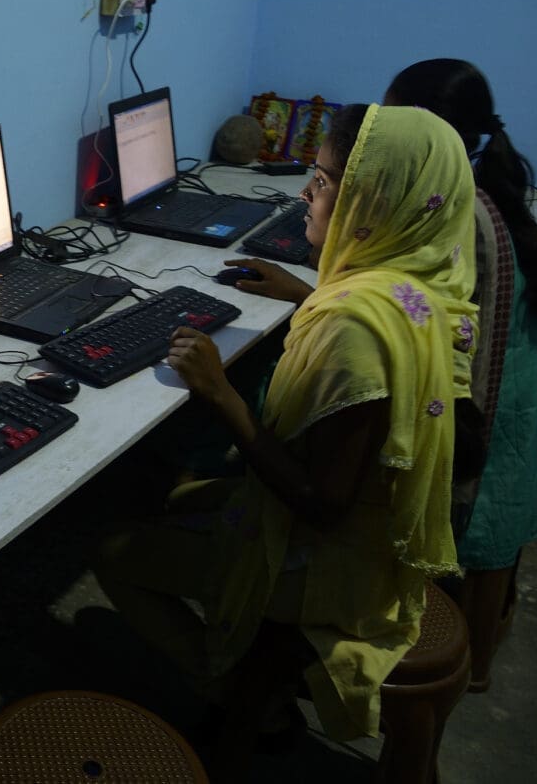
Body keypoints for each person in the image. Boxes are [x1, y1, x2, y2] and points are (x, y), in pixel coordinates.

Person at [90, 105, 478, 762]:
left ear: (371, 200)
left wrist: (220, 393)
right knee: (183, 501)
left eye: (323, 180)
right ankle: (240, 667)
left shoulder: (353, 326)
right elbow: (375, 369)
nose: (306, 191)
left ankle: (237, 692)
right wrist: (306, 293)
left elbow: (322, 505)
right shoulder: (416, 287)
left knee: (110, 552)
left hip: (333, 561)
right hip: (378, 535)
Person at [384, 58, 537, 688]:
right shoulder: (492, 190)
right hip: (514, 393)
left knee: (476, 521)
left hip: (481, 404)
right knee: (495, 532)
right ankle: (477, 654)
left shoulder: (458, 209)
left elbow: (407, 310)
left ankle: (456, 665)